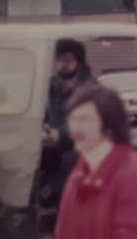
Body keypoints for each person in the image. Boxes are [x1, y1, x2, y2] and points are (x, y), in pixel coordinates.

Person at [55, 85, 137, 239]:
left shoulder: (135, 177)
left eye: (84, 120)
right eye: (73, 119)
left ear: (108, 127)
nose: (76, 128)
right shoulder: (79, 174)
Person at [41, 39, 97, 210]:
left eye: (67, 60)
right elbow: (40, 112)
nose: (62, 65)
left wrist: (61, 135)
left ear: (78, 63)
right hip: (56, 142)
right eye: (59, 60)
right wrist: (42, 127)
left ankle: (68, 208)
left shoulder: (90, 89)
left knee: (69, 159)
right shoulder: (49, 86)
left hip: (85, 145)